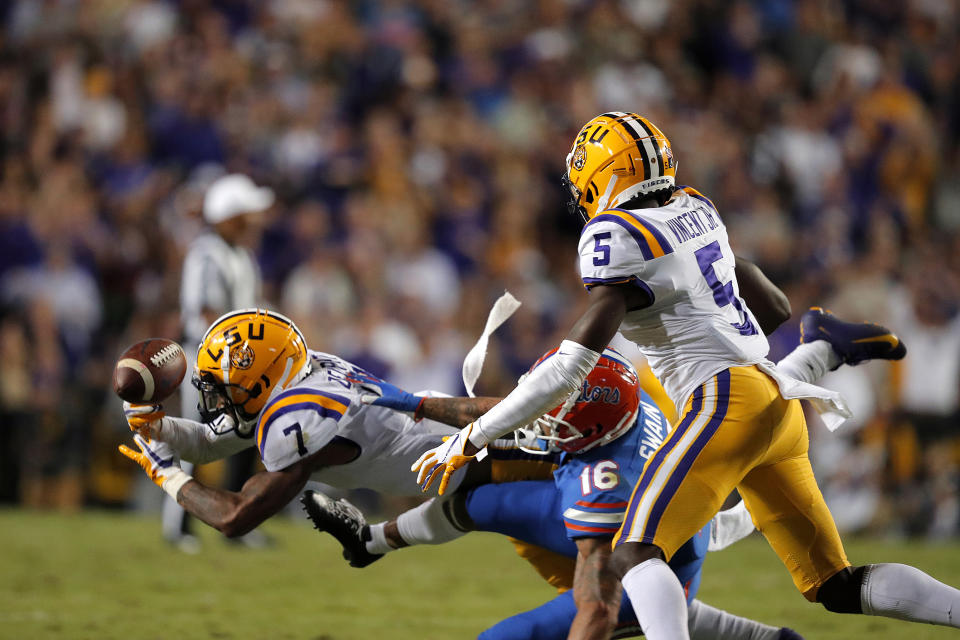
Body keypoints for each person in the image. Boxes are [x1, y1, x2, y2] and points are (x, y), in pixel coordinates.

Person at [409, 112, 960, 639]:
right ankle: (819, 349)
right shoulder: (695, 206)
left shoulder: (617, 236)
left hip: (724, 404)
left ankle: (820, 350)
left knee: (634, 552)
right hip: (774, 402)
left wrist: (472, 436)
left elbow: (569, 368)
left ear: (603, 178)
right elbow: (770, 304)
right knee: (835, 585)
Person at [303, 346, 803, 640]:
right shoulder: (622, 395)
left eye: (558, 419)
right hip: (667, 525)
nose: (545, 426)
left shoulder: (606, 484)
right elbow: (511, 412)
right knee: (479, 500)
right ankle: (370, 543)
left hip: (645, 555)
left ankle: (740, 631)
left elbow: (598, 610)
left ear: (596, 432)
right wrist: (406, 401)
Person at [168, 172, 274, 552]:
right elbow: (208, 310)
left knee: (246, 440)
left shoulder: (242, 256)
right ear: (230, 215)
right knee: (196, 440)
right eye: (248, 212)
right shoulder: (207, 253)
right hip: (208, 360)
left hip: (238, 361)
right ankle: (177, 527)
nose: (256, 219)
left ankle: (237, 521)